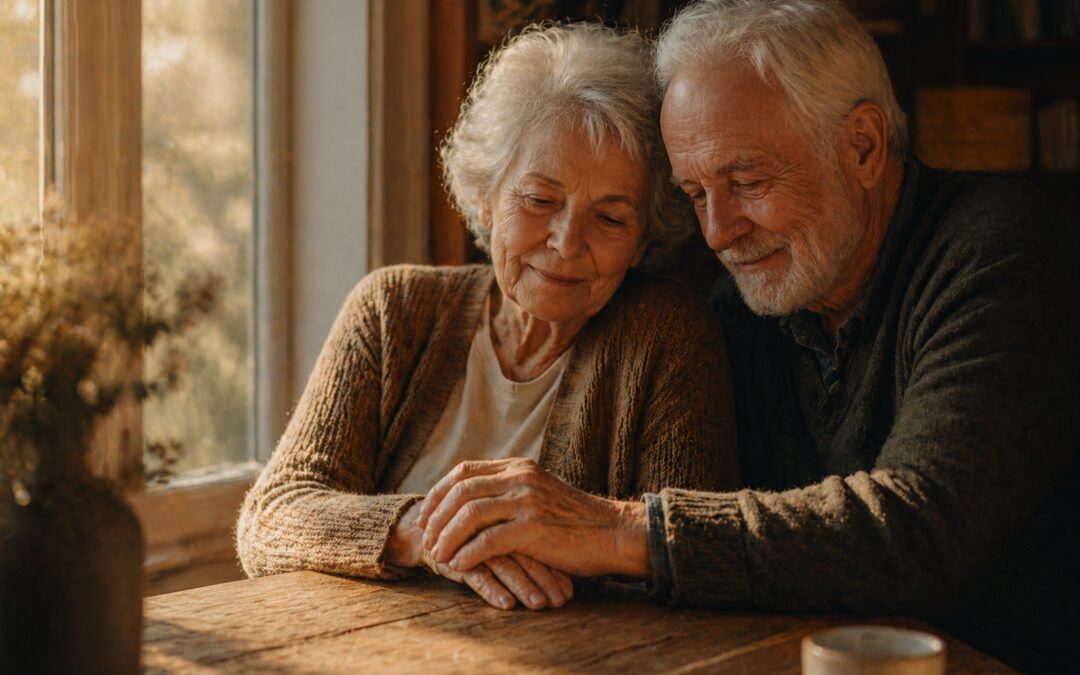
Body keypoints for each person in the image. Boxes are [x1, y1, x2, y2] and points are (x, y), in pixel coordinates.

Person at [416, 1, 1079, 670]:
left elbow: (918, 529)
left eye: (748, 181)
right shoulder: (748, 299)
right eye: (697, 193)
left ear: (865, 147)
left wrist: (614, 527)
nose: (718, 231)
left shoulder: (1007, 253)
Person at [235, 23, 739, 613]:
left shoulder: (670, 338)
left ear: (643, 239)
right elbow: (273, 515)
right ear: (484, 194)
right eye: (539, 200)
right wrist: (431, 532)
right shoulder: (392, 311)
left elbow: (696, 562)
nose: (566, 242)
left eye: (610, 218)